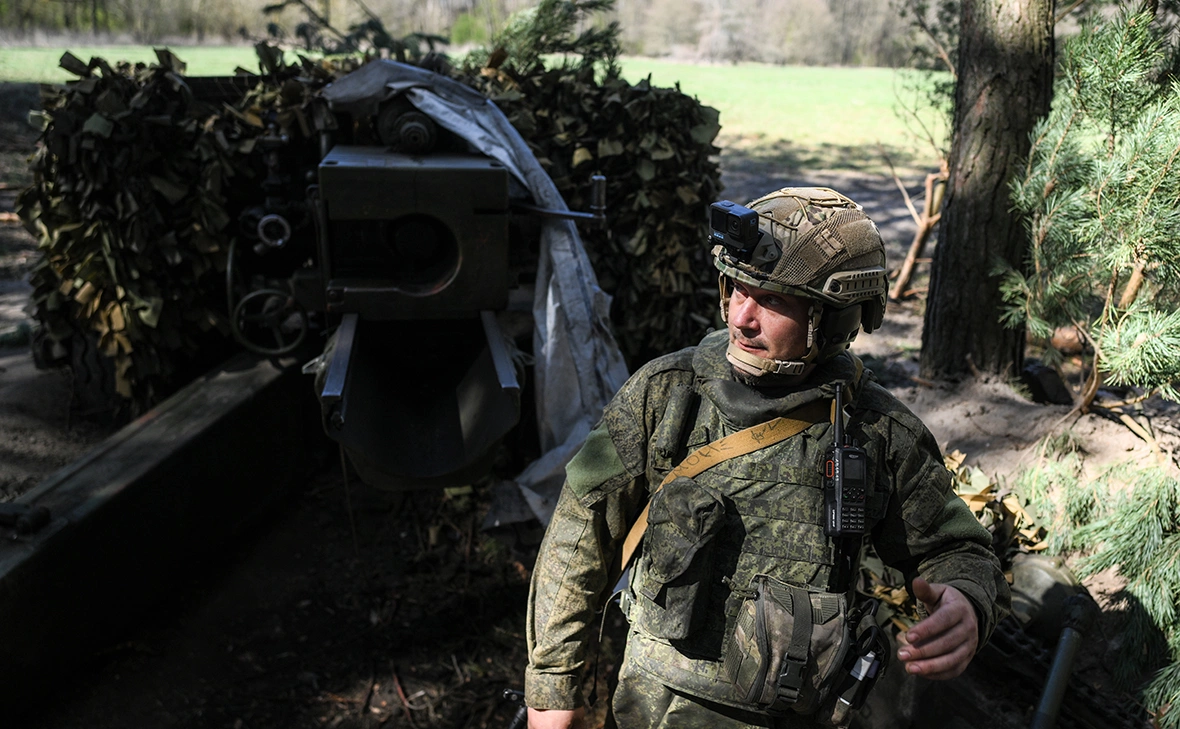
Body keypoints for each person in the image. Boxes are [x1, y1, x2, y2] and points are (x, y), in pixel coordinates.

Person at [523, 187, 1010, 729]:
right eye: (736, 288)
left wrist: (967, 601)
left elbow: (957, 549)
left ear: (834, 317)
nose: (742, 317)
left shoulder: (877, 434)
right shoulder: (666, 397)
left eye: (772, 300)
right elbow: (579, 533)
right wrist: (552, 687)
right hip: (654, 710)